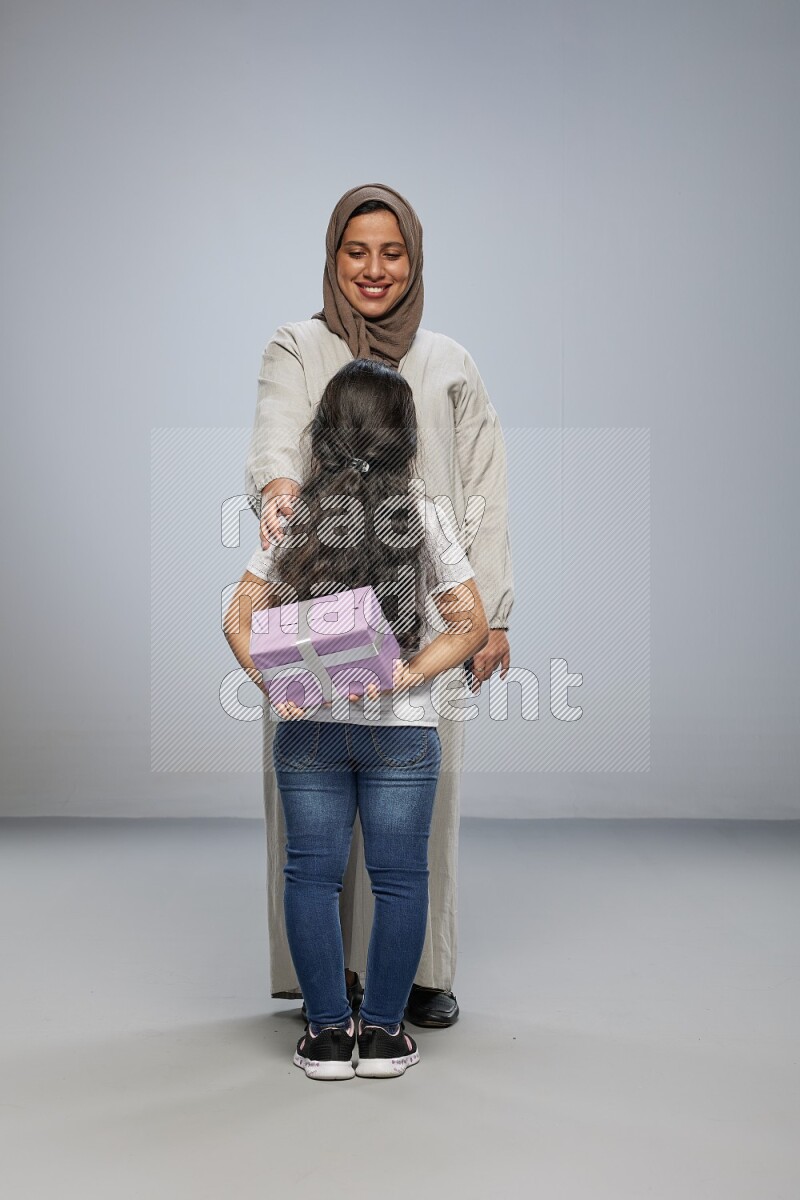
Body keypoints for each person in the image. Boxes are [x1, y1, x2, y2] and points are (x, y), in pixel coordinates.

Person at [244, 183, 513, 1028]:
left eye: (391, 252)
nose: (374, 269)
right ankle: (323, 983)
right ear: (332, 259)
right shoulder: (298, 344)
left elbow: (485, 488)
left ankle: (418, 974)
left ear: (415, 260)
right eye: (355, 252)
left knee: (420, 814)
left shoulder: (450, 362)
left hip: (422, 619)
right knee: (312, 829)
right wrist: (281, 489)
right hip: (316, 613)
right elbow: (277, 433)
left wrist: (491, 613)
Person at [225, 358, 489, 1078]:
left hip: (307, 727)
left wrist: (275, 680)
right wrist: (411, 671)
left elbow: (236, 615)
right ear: (405, 439)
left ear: (323, 435)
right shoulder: (426, 514)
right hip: (402, 732)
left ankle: (323, 1035)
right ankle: (380, 1037)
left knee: (311, 877)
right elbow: (470, 625)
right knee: (402, 878)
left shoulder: (296, 517)